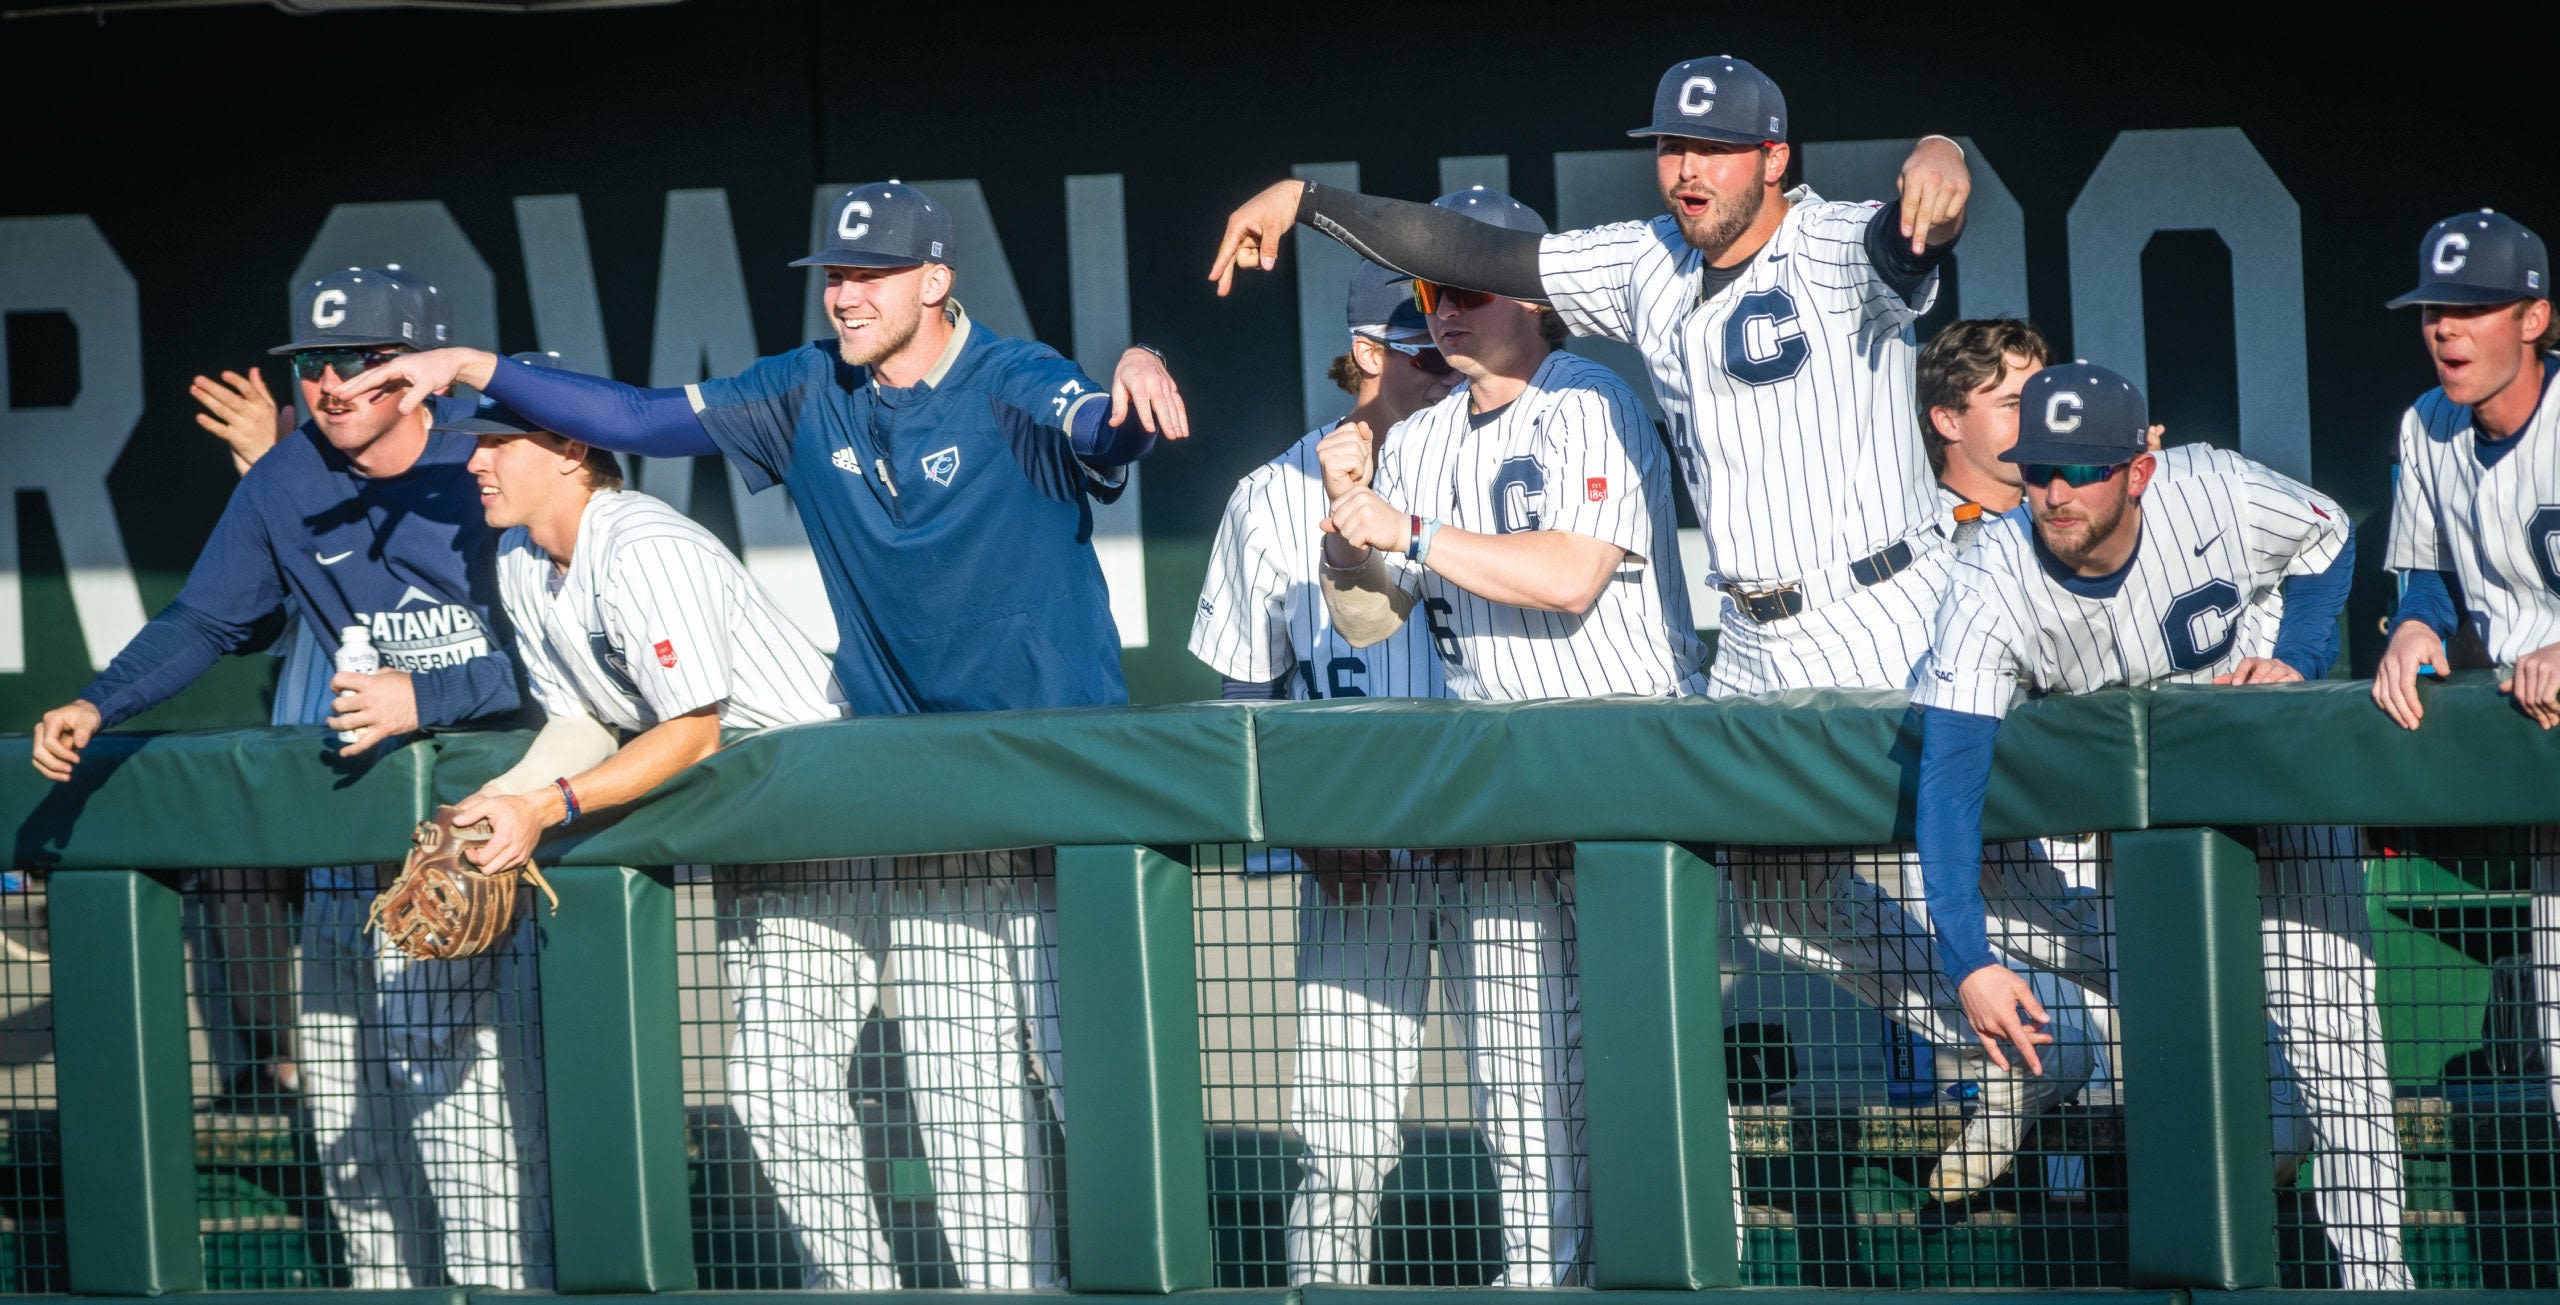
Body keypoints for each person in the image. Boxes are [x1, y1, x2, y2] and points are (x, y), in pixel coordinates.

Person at [1205, 56, 2077, 1195]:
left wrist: (1942, 152)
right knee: (1760, 888)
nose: (1684, 169)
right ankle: (1997, 1045)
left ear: (1774, 157)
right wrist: (1310, 202)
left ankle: (2098, 1055)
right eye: (1670, 147)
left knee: (2012, 879)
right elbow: (1473, 256)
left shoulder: (1834, 242)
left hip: (1893, 603)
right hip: (1756, 641)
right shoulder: (1643, 262)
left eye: (1711, 148)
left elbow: (1911, 240)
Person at [339, 181, 1188, 1288]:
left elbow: (1101, 426)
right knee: (960, 1092)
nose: (843, 296)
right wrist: (471, 369)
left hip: (1061, 791)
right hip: (916, 795)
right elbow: (639, 420)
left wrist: (1130, 376)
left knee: (1097, 1087)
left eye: (869, 274)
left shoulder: (1011, 376)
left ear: (936, 281)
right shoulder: (801, 391)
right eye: (833, 277)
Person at [31, 267, 548, 1288]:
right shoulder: (286, 477)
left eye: (358, 360)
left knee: (458, 1101)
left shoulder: (489, 462)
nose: (329, 384)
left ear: (418, 369)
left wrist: (426, 697)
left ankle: (505, 1291)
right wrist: (103, 700)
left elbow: (564, 655)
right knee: (350, 1112)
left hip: (478, 830)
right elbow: (208, 617)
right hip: (345, 835)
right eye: (314, 363)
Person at [1911, 362, 2409, 1283]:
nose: (2054, 492)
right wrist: (1970, 960)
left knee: (2344, 1059)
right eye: (2038, 468)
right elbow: (1949, 774)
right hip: (2136, 836)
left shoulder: (2210, 486)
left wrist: (2297, 657)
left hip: (2273, 789)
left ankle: (2378, 1285)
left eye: (2082, 470)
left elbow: (2329, 533)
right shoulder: (1993, 572)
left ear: (2139, 470)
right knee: (2181, 1062)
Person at [1291, 188, 1704, 1286]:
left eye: (1467, 289)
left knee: (1644, 1070)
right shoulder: (1420, 438)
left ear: (1530, 295)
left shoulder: (1588, 401)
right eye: (1430, 292)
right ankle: (1543, 1280)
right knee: (1518, 1079)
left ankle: (1689, 1269)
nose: (1444, 312)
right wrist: (1346, 528)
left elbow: (1569, 579)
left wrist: (1409, 528)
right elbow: (1369, 614)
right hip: (1504, 794)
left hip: (1629, 780)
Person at [432, 361, 905, 1288]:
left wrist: (549, 806)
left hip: (821, 814)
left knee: (779, 1089)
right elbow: (578, 722)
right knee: (788, 1089)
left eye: (494, 444)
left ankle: (862, 1286)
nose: (474, 466)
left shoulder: (641, 543)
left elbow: (692, 731)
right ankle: (851, 1281)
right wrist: (498, 803)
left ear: (571, 450)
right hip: (748, 834)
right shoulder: (523, 556)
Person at [2372, 208, 2560, 1124]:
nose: (2444, 326)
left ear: (2532, 318)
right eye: (2432, 308)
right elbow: (2429, 573)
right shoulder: (2428, 424)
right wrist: (2414, 624)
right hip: (2543, 774)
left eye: (2472, 307)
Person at [1191, 259, 1451, 702]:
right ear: (1369, 354)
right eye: (1432, 357)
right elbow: (1250, 687)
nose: (1455, 375)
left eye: (1461, 352)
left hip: (1472, 764)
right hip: (1338, 764)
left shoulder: (1493, 464)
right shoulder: (1269, 495)